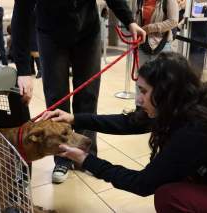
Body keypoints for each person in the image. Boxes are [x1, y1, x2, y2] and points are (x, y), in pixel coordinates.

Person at [41, 52, 207, 212]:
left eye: (143, 91)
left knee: (170, 197)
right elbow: (130, 122)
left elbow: (142, 183)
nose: (139, 99)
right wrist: (75, 118)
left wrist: (84, 159)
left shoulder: (197, 128)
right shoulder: (183, 102)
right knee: (170, 175)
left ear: (164, 91)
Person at [11, 0, 146, 183]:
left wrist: (130, 21)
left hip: (88, 31)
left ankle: (86, 156)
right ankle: (62, 158)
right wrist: (24, 70)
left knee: (88, 95)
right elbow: (20, 18)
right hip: (51, 33)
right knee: (57, 99)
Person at [134, 0, 179, 110]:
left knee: (163, 81)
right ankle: (141, 111)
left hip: (162, 45)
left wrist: (149, 28)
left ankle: (162, 112)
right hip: (142, 45)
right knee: (140, 80)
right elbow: (137, 20)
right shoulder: (140, 1)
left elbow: (173, 21)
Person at [178, 0, 207, 72]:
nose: (180, 3)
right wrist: (185, 18)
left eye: (182, 0)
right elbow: (178, 27)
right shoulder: (181, 13)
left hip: (199, 43)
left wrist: (194, 14)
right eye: (178, 2)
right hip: (186, 44)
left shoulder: (197, 7)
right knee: (186, 64)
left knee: (197, 67)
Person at [30, 11, 41, 79]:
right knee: (30, 52)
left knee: (35, 52)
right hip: (28, 32)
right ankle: (32, 69)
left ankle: (40, 70)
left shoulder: (34, 10)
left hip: (34, 32)